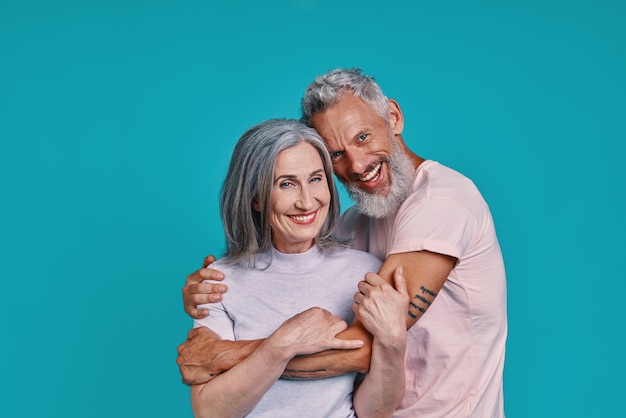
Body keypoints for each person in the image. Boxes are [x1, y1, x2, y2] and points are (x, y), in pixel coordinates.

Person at [178, 68, 508, 417]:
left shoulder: (441, 202)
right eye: (336, 154)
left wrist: (224, 354)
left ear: (393, 118)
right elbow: (299, 266)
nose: (357, 163)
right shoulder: (354, 224)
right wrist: (204, 288)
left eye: (363, 137)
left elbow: (361, 350)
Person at [186, 118, 408, 418]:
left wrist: (393, 343)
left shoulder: (365, 273)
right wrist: (283, 342)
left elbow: (376, 411)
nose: (307, 202)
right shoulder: (218, 284)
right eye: (286, 184)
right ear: (255, 199)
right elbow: (211, 411)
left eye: (316, 179)